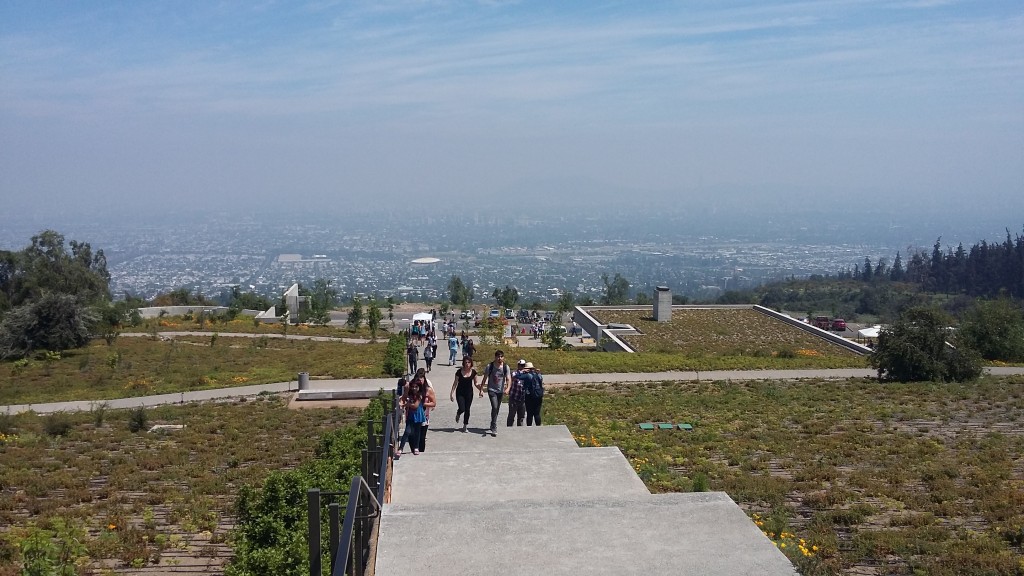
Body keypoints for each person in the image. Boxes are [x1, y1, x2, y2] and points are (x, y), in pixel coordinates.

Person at [481, 350, 511, 435]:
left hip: (500, 391)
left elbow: (509, 379)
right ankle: (494, 426)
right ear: (495, 357)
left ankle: (492, 423)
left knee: (497, 408)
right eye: (498, 356)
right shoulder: (489, 366)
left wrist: (508, 388)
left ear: (503, 357)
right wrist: (481, 389)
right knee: (494, 406)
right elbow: (485, 378)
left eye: (501, 356)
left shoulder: (506, 367)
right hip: (491, 390)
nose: (499, 358)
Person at [397, 378, 425, 457]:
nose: (414, 388)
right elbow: (404, 397)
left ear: (419, 387)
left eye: (416, 387)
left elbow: (415, 406)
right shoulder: (410, 394)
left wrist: (406, 405)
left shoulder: (419, 395)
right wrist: (406, 391)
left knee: (417, 432)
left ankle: (416, 447)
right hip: (410, 415)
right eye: (413, 387)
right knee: (407, 432)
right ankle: (400, 448)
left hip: (418, 415)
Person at [450, 357, 478, 432]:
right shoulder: (459, 372)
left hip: (469, 393)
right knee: (462, 408)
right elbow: (455, 383)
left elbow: (476, 383)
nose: (467, 364)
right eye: (465, 362)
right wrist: (451, 393)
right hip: (460, 393)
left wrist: (481, 390)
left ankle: (465, 425)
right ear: (463, 363)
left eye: (468, 362)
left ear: (471, 363)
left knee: (467, 409)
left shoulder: (474, 372)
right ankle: (458, 413)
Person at [414, 369, 436, 452]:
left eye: (422, 378)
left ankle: (421, 452)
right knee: (413, 435)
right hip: (414, 415)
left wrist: (423, 404)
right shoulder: (413, 388)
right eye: (419, 379)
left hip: (424, 416)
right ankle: (415, 450)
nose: (420, 380)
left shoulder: (428, 389)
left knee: (422, 436)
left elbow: (433, 402)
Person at [522, 361, 544, 426]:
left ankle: (529, 429)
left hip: (529, 396)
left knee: (529, 414)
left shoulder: (526, 375)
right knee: (537, 414)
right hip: (538, 395)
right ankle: (538, 428)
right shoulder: (538, 375)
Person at [507, 359, 527, 427]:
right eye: (520, 365)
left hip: (522, 399)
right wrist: (522, 373)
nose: (522, 367)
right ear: (518, 365)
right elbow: (514, 377)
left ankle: (520, 431)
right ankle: (509, 429)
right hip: (514, 398)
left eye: (523, 366)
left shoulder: (527, 374)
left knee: (521, 417)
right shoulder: (514, 373)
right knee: (511, 416)